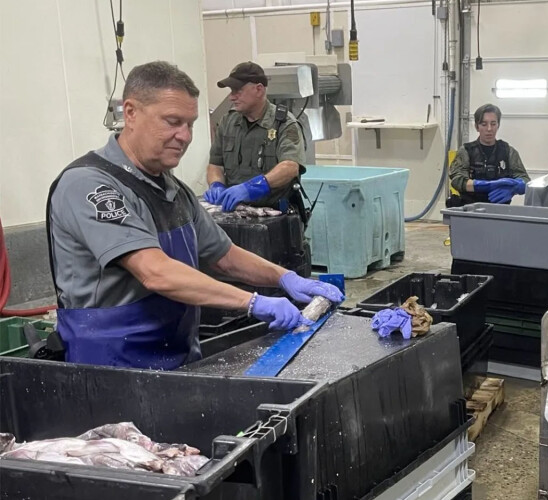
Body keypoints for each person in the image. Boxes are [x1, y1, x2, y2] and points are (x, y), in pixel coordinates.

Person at [46, 61, 343, 370]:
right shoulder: (90, 185)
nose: (185, 136)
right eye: (173, 121)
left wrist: (285, 277)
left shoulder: (173, 189)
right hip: (110, 367)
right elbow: (155, 272)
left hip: (177, 358)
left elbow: (224, 255)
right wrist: (252, 302)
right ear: (131, 113)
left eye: (190, 124)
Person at [204, 61, 306, 214]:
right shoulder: (228, 122)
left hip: (276, 215)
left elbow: (290, 167)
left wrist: (254, 187)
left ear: (258, 89)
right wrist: (216, 184)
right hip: (236, 213)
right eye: (231, 91)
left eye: (237, 91)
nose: (231, 97)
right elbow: (215, 164)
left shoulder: (284, 123)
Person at [448, 104, 530, 206]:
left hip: (499, 211)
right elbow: (457, 181)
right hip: (470, 211)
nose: (489, 129)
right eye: (484, 124)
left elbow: (526, 180)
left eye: (493, 123)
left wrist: (514, 188)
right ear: (477, 127)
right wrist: (487, 186)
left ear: (498, 125)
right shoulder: (466, 151)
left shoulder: (508, 152)